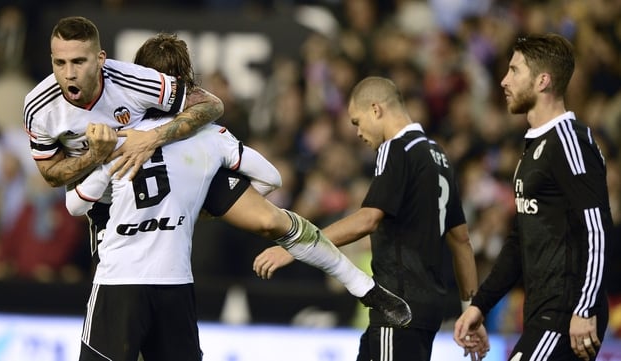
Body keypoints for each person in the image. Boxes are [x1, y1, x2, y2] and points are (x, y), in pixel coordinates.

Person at [65, 33, 413, 361]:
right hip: (174, 282)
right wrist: (208, 205)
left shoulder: (115, 133)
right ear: (186, 82)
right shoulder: (210, 133)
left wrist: (100, 165)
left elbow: (75, 204)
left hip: (120, 279)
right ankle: (363, 286)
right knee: (275, 221)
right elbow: (271, 177)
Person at [254, 76, 487, 361]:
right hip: (426, 309)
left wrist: (297, 246)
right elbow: (461, 241)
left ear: (376, 110)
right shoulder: (439, 156)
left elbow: (368, 219)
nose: (358, 132)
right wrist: (471, 312)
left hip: (398, 305)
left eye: (357, 121)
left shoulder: (395, 147)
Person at [453, 33, 612, 360]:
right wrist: (480, 306)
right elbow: (519, 240)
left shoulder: (569, 142)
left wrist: (582, 308)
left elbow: (597, 228)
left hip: (566, 314)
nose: (503, 80)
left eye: (514, 71)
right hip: (543, 313)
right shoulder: (533, 149)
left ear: (542, 81)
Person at [23, 16, 224, 191]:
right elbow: (50, 175)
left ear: (100, 59)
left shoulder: (133, 81)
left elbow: (212, 104)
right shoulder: (38, 108)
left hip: (149, 183)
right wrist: (94, 156)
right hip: (95, 197)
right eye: (60, 63)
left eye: (78, 62)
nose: (69, 74)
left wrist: (151, 138)